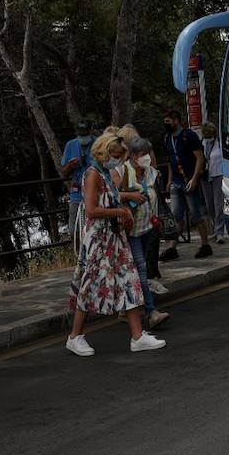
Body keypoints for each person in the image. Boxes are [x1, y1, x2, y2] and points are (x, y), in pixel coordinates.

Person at [65, 132, 166, 355]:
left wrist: (123, 204)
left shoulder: (105, 174)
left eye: (120, 155)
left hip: (114, 237)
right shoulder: (92, 175)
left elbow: (112, 197)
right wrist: (120, 211)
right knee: (90, 286)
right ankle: (75, 335)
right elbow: (91, 210)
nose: (117, 159)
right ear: (103, 151)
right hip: (99, 240)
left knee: (130, 282)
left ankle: (137, 336)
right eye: (114, 154)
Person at [125, 135, 170, 330]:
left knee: (137, 270)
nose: (148, 158)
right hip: (131, 231)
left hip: (147, 228)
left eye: (148, 154)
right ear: (134, 156)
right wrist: (131, 195)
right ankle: (151, 312)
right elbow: (112, 194)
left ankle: (126, 308)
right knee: (141, 269)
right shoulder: (124, 172)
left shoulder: (150, 172)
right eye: (144, 154)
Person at [160, 109, 213, 260]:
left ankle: (205, 245)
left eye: (168, 122)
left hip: (189, 180)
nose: (166, 125)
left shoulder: (189, 135)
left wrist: (195, 179)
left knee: (196, 214)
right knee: (176, 215)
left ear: (176, 120)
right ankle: (172, 248)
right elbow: (171, 161)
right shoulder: (167, 138)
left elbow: (200, 158)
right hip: (176, 182)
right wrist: (169, 181)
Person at [60, 120, 95, 248]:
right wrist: (69, 165)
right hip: (77, 193)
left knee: (93, 227)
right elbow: (63, 173)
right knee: (73, 228)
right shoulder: (70, 145)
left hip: (94, 192)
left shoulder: (97, 144)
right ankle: (80, 254)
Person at [201, 122, 228, 244]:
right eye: (205, 134)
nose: (207, 136)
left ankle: (220, 232)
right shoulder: (201, 143)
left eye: (209, 133)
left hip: (217, 174)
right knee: (209, 205)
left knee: (218, 204)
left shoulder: (220, 143)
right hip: (205, 175)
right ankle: (214, 228)